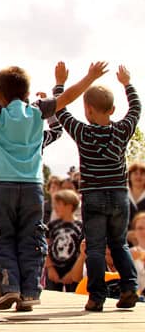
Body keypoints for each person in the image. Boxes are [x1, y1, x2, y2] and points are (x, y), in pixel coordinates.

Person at [0, 60, 108, 311]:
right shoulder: (37, 110)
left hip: (3, 185)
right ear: (27, 92)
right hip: (32, 186)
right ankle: (30, 291)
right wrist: (89, 77)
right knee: (31, 238)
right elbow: (67, 98)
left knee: (2, 238)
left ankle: (9, 285)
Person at [56, 64, 141, 311]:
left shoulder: (82, 132)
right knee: (119, 244)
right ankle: (129, 288)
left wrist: (60, 84)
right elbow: (136, 108)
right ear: (113, 109)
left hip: (93, 195)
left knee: (94, 247)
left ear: (87, 110)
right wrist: (127, 83)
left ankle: (96, 296)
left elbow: (60, 111)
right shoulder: (123, 130)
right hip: (119, 195)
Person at [45, 189, 83, 293]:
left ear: (69, 206)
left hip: (73, 271)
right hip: (54, 271)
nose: (55, 207)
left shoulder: (80, 227)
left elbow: (82, 251)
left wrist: (73, 273)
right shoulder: (51, 225)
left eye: (58, 204)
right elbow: (45, 247)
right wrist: (50, 268)